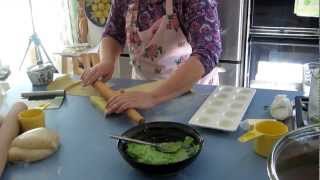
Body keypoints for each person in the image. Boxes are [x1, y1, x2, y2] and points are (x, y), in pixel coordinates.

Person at [81, 0, 222, 114]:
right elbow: (113, 33)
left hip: (188, 92)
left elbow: (208, 51)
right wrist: (107, 61)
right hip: (140, 92)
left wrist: (153, 97)